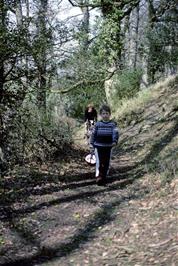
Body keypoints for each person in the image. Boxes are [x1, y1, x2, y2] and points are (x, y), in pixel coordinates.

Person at [90, 104, 119, 185]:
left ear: (110, 114)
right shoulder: (98, 124)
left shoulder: (113, 124)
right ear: (100, 115)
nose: (105, 115)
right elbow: (93, 134)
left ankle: (104, 177)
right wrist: (92, 144)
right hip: (98, 146)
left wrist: (114, 141)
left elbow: (115, 133)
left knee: (106, 162)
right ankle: (99, 177)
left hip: (108, 146)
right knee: (99, 161)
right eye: (103, 113)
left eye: (107, 113)